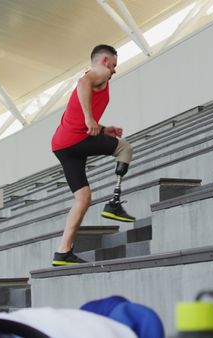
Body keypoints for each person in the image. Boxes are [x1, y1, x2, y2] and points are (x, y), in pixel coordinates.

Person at [51, 44, 136, 267]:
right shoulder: (100, 73)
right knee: (124, 148)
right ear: (105, 61)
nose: (115, 71)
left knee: (83, 198)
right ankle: (114, 203)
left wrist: (102, 127)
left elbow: (80, 109)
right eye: (114, 65)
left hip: (62, 145)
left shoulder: (98, 79)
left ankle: (63, 252)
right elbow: (83, 82)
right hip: (77, 139)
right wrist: (90, 120)